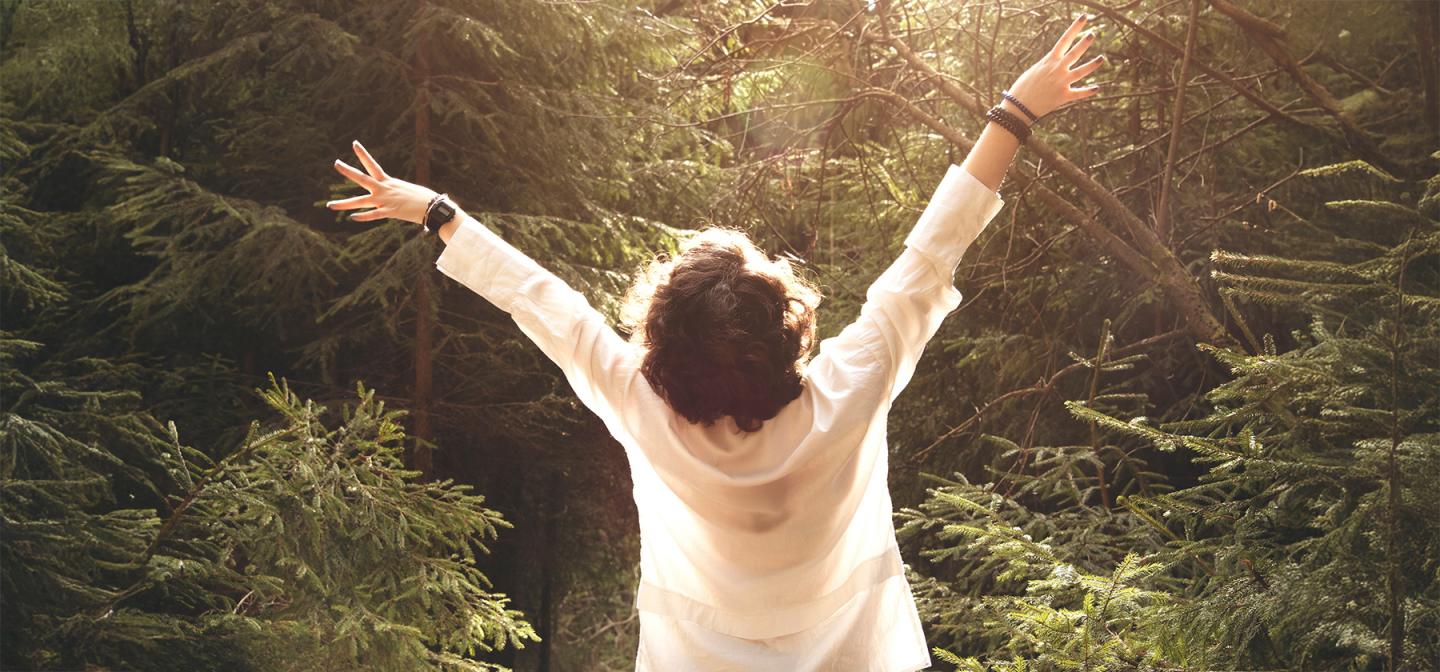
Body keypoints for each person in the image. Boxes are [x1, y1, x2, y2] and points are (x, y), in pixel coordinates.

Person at [327, 13, 1104, 671]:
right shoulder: (850, 392)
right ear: (786, 330)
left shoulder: (643, 409)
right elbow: (932, 254)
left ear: (663, 344)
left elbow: (548, 306)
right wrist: (1012, 112)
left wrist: (437, 212)